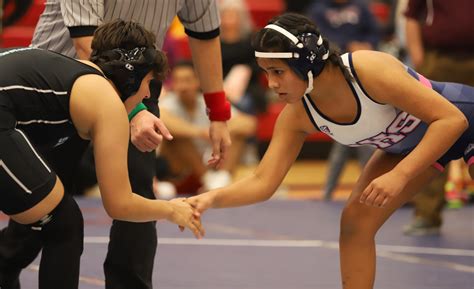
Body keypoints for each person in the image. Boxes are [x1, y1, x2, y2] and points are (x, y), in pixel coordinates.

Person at [187, 13, 473, 289]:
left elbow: (452, 120)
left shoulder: (368, 71)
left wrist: (400, 174)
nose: (271, 84)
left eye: (278, 72)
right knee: (355, 224)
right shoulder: (297, 114)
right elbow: (263, 182)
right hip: (407, 147)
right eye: (266, 73)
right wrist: (211, 199)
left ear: (307, 63)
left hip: (465, 120)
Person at [0, 1, 231, 289]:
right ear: (132, 79)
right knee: (57, 219)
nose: (150, 94)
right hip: (34, 95)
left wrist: (218, 112)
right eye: (148, 84)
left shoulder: (99, 85)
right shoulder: (107, 102)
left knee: (57, 217)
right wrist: (171, 210)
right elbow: (119, 203)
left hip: (39, 96)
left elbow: (205, 34)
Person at [402, 0, 474, 235]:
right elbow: (412, 15)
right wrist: (418, 56)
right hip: (439, 61)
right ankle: (427, 213)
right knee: (431, 136)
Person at [307, 0, 379, 200]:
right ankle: (335, 189)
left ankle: (341, 189)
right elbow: (318, 39)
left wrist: (368, 44)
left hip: (362, 70)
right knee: (349, 136)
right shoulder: (319, 9)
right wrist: (348, 45)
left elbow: (374, 30)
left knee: (355, 136)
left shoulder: (361, 7)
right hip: (336, 72)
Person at [159, 60, 257, 192]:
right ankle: (209, 180)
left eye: (187, 80)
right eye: (178, 81)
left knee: (236, 134)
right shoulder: (168, 103)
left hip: (210, 165)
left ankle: (222, 179)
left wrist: (220, 129)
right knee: (176, 136)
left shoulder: (207, 102)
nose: (182, 86)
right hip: (176, 173)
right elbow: (163, 120)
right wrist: (201, 132)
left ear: (198, 81)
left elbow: (249, 124)